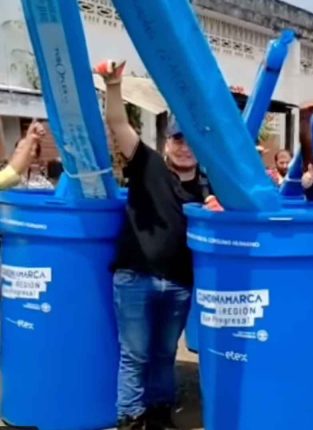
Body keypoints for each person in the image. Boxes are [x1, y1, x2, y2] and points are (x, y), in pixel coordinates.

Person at [96, 59, 211, 430]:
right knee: (136, 355)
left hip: (179, 283)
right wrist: (113, 87)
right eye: (178, 139)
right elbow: (118, 123)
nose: (185, 147)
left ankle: (160, 415)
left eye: (191, 141)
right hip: (136, 277)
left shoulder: (210, 189)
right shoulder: (147, 165)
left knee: (163, 354)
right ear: (167, 143)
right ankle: (130, 419)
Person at [0, 121, 45, 190]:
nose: (23, 153)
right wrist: (31, 138)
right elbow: (11, 173)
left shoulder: (42, 183)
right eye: (20, 149)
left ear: (36, 157)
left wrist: (31, 138)